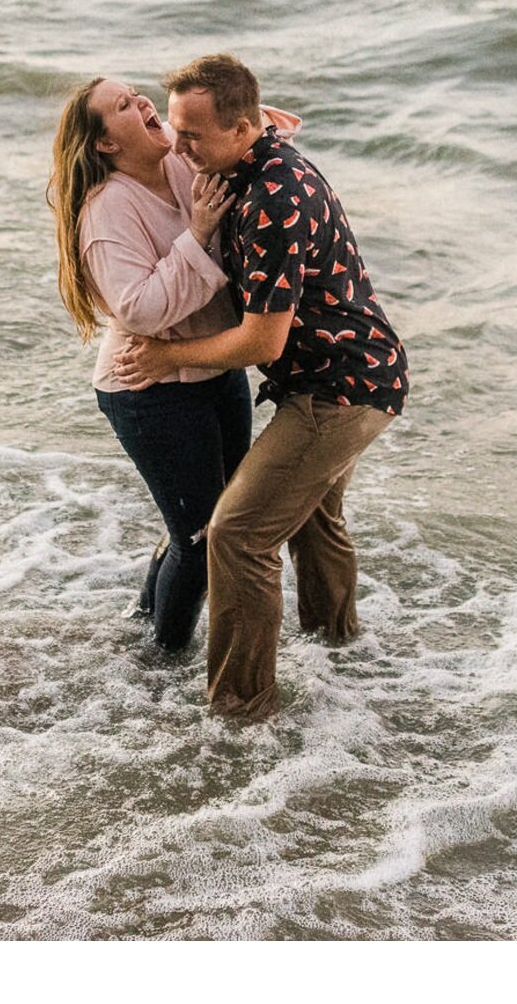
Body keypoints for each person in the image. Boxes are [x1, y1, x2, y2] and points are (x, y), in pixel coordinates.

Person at [118, 53, 408, 721]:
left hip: (340, 389)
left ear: (244, 129)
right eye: (172, 124)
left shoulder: (275, 198)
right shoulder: (250, 156)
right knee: (313, 518)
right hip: (365, 370)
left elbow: (262, 342)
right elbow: (261, 121)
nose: (177, 144)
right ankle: (342, 652)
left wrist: (167, 357)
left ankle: (239, 713)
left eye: (191, 135)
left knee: (236, 533)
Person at [50, 77, 251, 652]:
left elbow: (246, 146)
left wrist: (244, 127)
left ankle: (144, 622)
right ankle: (163, 664)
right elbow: (140, 309)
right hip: (148, 388)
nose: (141, 103)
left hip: (216, 366)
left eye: (136, 93)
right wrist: (199, 233)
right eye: (122, 107)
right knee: (203, 539)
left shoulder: (178, 167)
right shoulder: (105, 210)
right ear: (106, 145)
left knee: (210, 524)